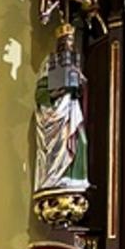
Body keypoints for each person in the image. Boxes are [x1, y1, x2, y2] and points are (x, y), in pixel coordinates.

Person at [33, 23, 88, 194]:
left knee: (81, 142)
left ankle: (74, 177)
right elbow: (41, 92)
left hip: (71, 109)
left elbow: (81, 89)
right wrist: (59, 90)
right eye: (65, 42)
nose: (68, 46)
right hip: (55, 111)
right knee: (60, 144)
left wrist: (80, 83)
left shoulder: (74, 64)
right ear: (59, 44)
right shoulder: (49, 63)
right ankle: (56, 176)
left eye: (70, 42)